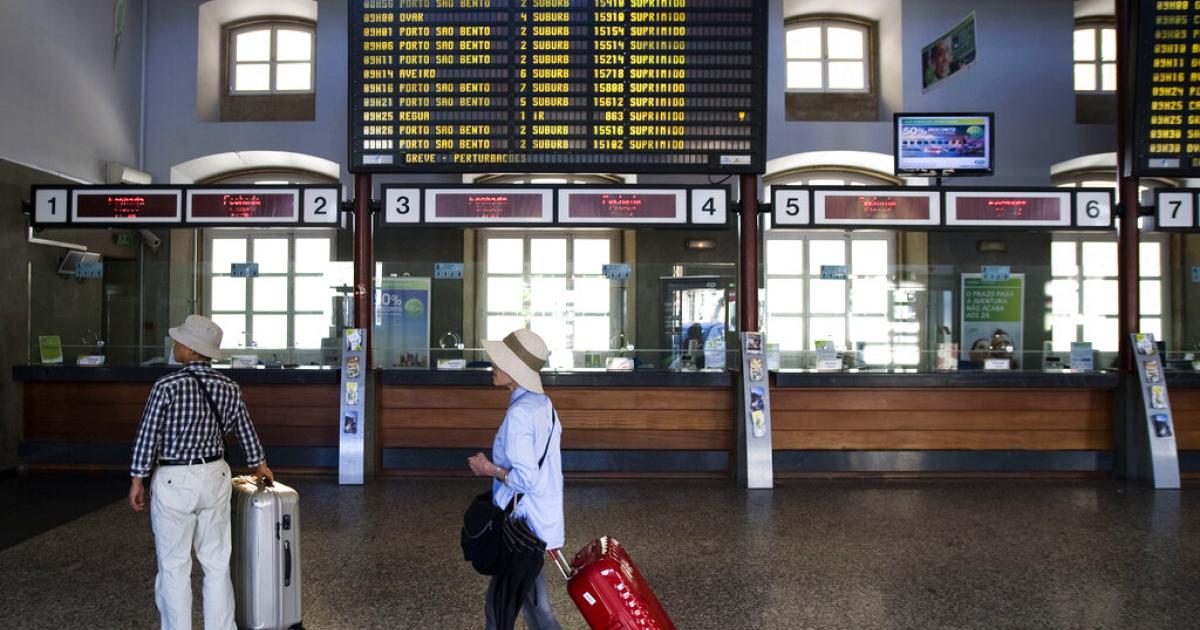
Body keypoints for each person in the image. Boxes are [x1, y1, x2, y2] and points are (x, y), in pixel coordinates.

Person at [127, 314, 275, 630]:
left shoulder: (166, 386)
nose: (175, 344)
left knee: (174, 565)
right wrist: (260, 464)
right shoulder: (229, 387)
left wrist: (138, 478)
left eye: (180, 340)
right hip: (216, 475)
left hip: (174, 478)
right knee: (217, 563)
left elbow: (148, 435)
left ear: (193, 349)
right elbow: (246, 431)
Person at [468, 329, 564, 630]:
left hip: (521, 526)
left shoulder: (520, 413)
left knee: (500, 607)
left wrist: (488, 468)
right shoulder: (543, 404)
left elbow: (525, 479)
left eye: (501, 361)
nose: (493, 366)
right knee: (533, 605)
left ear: (517, 370)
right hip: (537, 520)